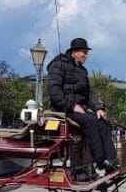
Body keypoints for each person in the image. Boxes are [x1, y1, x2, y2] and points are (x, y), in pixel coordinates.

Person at [46, 37, 117, 175]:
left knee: (102, 122)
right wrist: (71, 106)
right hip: (63, 108)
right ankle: (100, 161)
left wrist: (98, 108)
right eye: (84, 52)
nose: (86, 55)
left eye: (86, 52)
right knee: (90, 121)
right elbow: (53, 90)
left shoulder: (83, 71)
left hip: (79, 109)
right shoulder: (58, 65)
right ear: (74, 52)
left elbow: (88, 94)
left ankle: (111, 160)